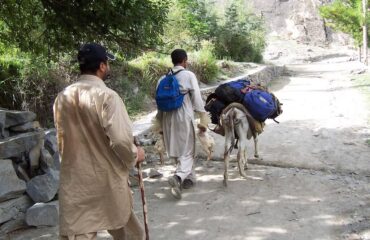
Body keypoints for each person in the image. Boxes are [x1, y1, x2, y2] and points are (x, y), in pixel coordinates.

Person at [54, 43, 145, 240]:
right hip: (107, 178)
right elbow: (120, 140)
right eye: (108, 64)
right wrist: (135, 154)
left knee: (79, 232)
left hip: (76, 181)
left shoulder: (63, 97)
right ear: (102, 66)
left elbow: (61, 138)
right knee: (125, 227)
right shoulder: (107, 96)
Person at [155, 49, 210, 199]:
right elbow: (197, 99)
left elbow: (158, 103)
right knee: (188, 150)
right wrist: (202, 116)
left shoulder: (162, 78)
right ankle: (178, 177)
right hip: (183, 116)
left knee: (176, 148)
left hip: (167, 117)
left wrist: (159, 122)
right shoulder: (188, 75)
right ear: (185, 60)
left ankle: (188, 179)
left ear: (172, 60)